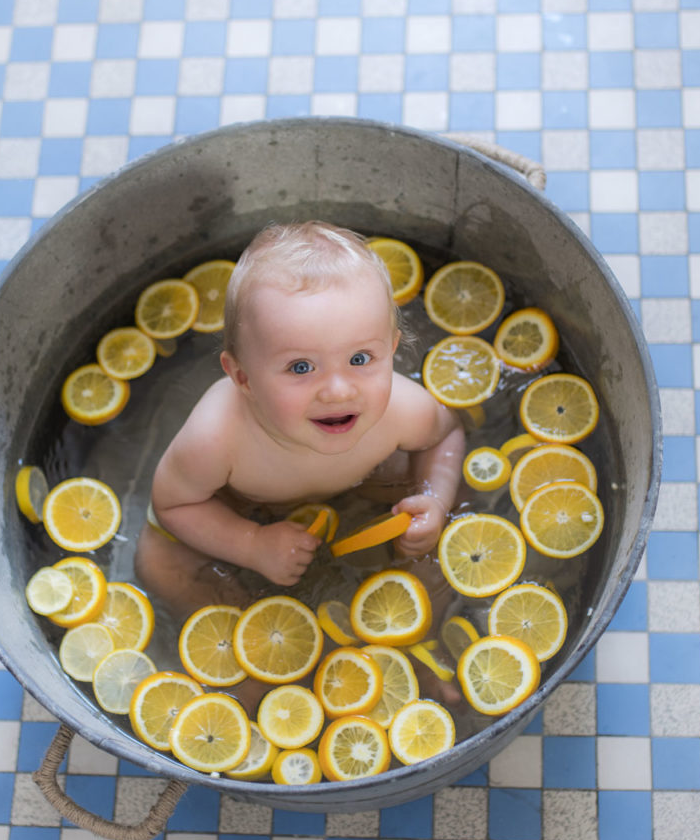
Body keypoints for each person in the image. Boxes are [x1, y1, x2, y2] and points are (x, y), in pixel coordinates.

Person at [134, 220, 465, 618]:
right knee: (159, 565)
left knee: (440, 529)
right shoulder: (217, 437)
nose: (339, 391)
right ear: (243, 377)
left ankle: (424, 651)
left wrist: (434, 496)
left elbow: (444, 435)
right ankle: (264, 663)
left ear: (392, 349)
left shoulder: (401, 411)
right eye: (301, 367)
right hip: (237, 503)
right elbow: (175, 504)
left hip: (365, 479)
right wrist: (250, 543)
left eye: (360, 359)